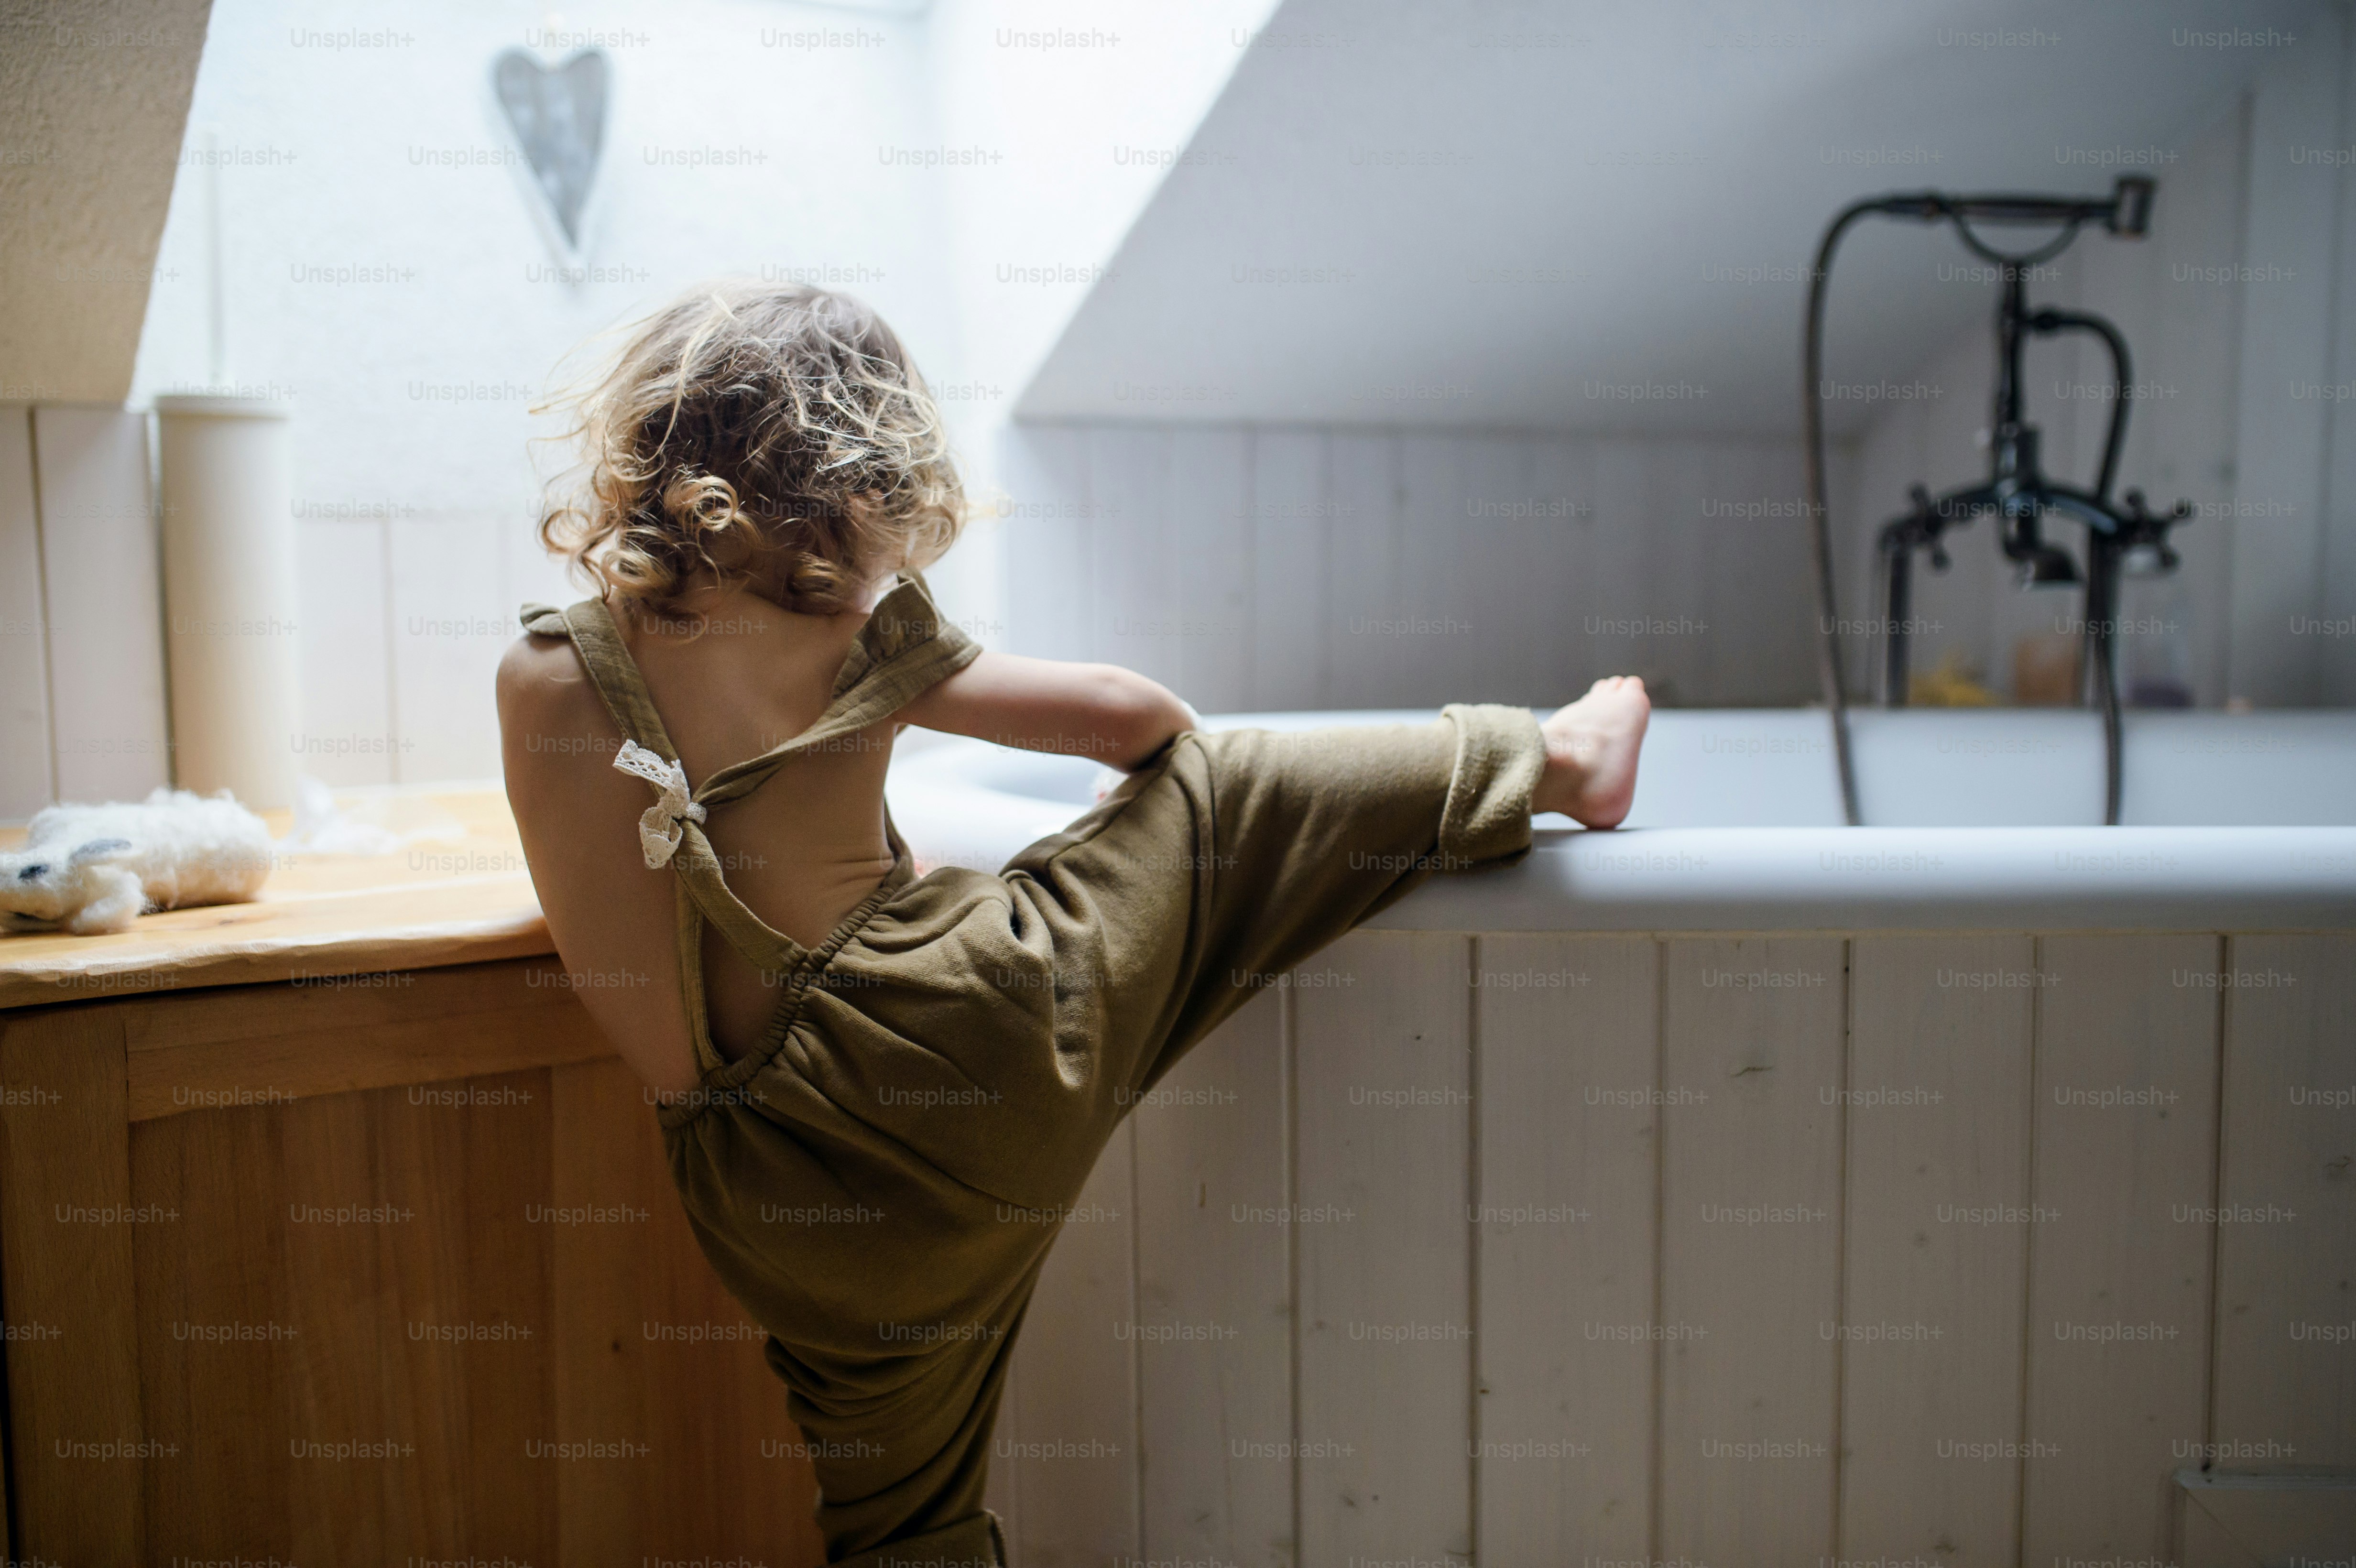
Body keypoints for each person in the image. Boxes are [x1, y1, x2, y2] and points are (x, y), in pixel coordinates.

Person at [497, 281, 1649, 1567]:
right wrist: (1134, 797)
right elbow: (1135, 714)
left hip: (768, 1194)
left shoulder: (541, 672)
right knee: (1229, 794)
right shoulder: (845, 636)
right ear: (860, 477)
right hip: (949, 1061)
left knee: (896, 1513)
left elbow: (642, 938)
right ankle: (1553, 760)